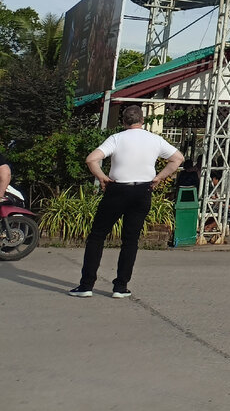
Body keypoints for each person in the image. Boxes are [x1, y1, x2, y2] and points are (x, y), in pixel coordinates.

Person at [69, 104, 183, 298]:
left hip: (117, 190)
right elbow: (177, 158)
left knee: (97, 236)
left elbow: (91, 159)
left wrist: (102, 177)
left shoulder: (116, 138)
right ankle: (120, 287)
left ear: (123, 121)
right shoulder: (155, 139)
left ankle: (86, 285)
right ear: (142, 120)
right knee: (130, 240)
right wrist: (159, 177)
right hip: (142, 190)